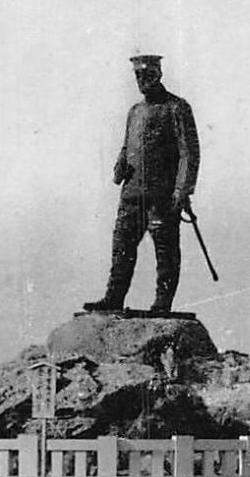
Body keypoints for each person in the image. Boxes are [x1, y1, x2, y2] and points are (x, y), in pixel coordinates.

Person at [84, 54, 201, 315]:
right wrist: (118, 169)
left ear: (159, 75)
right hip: (132, 194)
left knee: (165, 251)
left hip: (162, 196)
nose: (142, 81)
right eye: (138, 76)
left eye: (147, 75)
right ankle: (113, 297)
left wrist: (182, 190)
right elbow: (127, 146)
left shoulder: (176, 108)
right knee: (121, 247)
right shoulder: (135, 112)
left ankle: (162, 303)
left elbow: (188, 153)